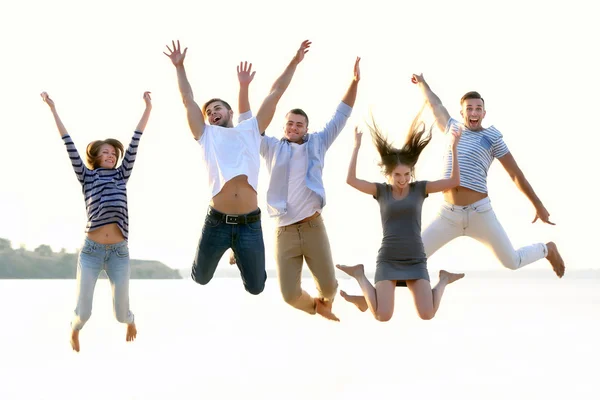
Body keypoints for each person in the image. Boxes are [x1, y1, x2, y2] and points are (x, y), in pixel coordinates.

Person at [163, 40, 311, 294]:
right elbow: (187, 100)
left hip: (249, 224)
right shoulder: (206, 135)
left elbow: (275, 93)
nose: (211, 113)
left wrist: (295, 61)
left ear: (230, 111)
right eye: (208, 111)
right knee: (200, 278)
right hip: (217, 223)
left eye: (217, 108)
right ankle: (231, 248)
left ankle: (238, 252)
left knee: (256, 288)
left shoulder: (251, 130)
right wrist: (179, 67)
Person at [234, 56, 361, 321]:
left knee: (328, 287)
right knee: (289, 295)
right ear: (284, 126)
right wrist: (244, 88)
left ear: (306, 128)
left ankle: (326, 300)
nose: (294, 127)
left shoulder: (319, 143)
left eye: (299, 124)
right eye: (290, 123)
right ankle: (318, 308)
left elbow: (342, 114)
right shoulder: (271, 148)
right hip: (285, 231)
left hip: (313, 225)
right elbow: (247, 124)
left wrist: (354, 81)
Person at [411, 74, 565, 277]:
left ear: (484, 113)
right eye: (469, 109)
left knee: (512, 261)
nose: (473, 112)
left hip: (479, 213)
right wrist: (422, 83)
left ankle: (547, 249)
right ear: (462, 112)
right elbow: (434, 104)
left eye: (478, 109)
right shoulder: (452, 128)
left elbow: (515, 174)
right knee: (413, 257)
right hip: (448, 215)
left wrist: (538, 205)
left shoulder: (492, 138)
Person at [40, 91, 152, 352]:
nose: (111, 155)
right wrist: (53, 109)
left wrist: (147, 108)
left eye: (114, 152)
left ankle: (130, 322)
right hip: (90, 252)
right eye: (105, 152)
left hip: (119, 253)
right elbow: (67, 143)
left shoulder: (122, 175)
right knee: (85, 311)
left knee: (121, 313)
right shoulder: (86, 176)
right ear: (96, 157)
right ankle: (74, 329)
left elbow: (136, 140)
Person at [336, 111, 465, 322]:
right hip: (389, 259)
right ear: (389, 174)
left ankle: (443, 279)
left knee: (427, 314)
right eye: (397, 175)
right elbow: (351, 180)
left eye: (406, 174)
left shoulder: (420, 189)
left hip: (415, 259)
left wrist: (453, 148)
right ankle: (359, 274)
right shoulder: (381, 191)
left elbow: (453, 181)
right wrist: (356, 147)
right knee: (382, 315)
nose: (403, 179)